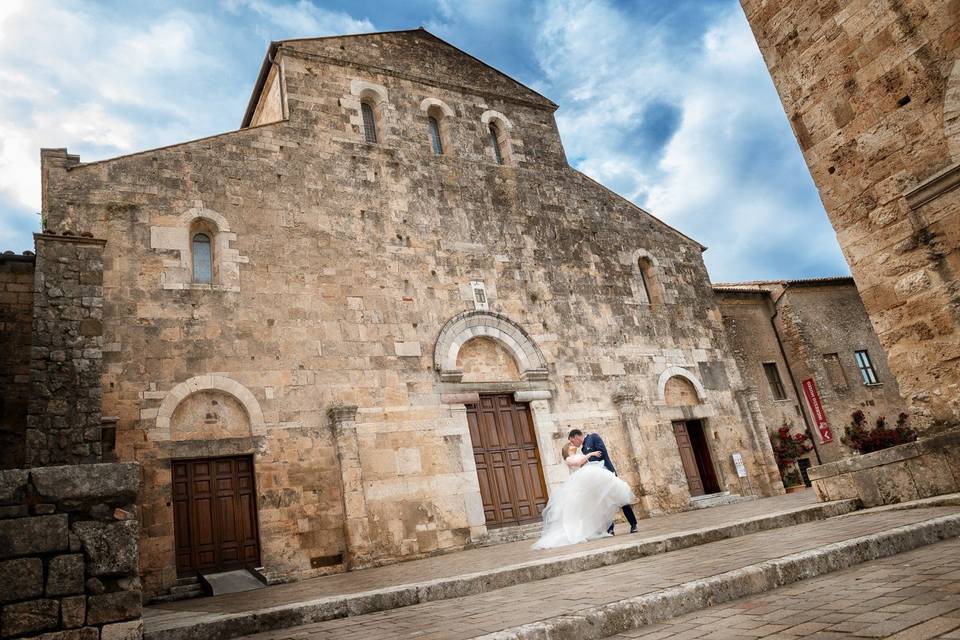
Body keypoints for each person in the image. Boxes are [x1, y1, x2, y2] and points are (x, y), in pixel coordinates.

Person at [531, 441, 634, 550]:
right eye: (570, 445)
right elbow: (579, 462)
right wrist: (591, 454)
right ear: (567, 449)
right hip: (579, 486)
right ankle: (579, 533)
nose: (573, 446)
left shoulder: (578, 454)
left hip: (586, 484)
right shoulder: (568, 459)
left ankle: (600, 529)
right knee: (579, 513)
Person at [568, 429, 639, 535]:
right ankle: (610, 529)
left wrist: (587, 460)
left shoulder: (593, 437)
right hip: (597, 479)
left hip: (608, 473)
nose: (573, 444)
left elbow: (602, 453)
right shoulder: (583, 449)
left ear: (576, 437)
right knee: (604, 503)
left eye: (572, 441)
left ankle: (633, 524)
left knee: (621, 498)